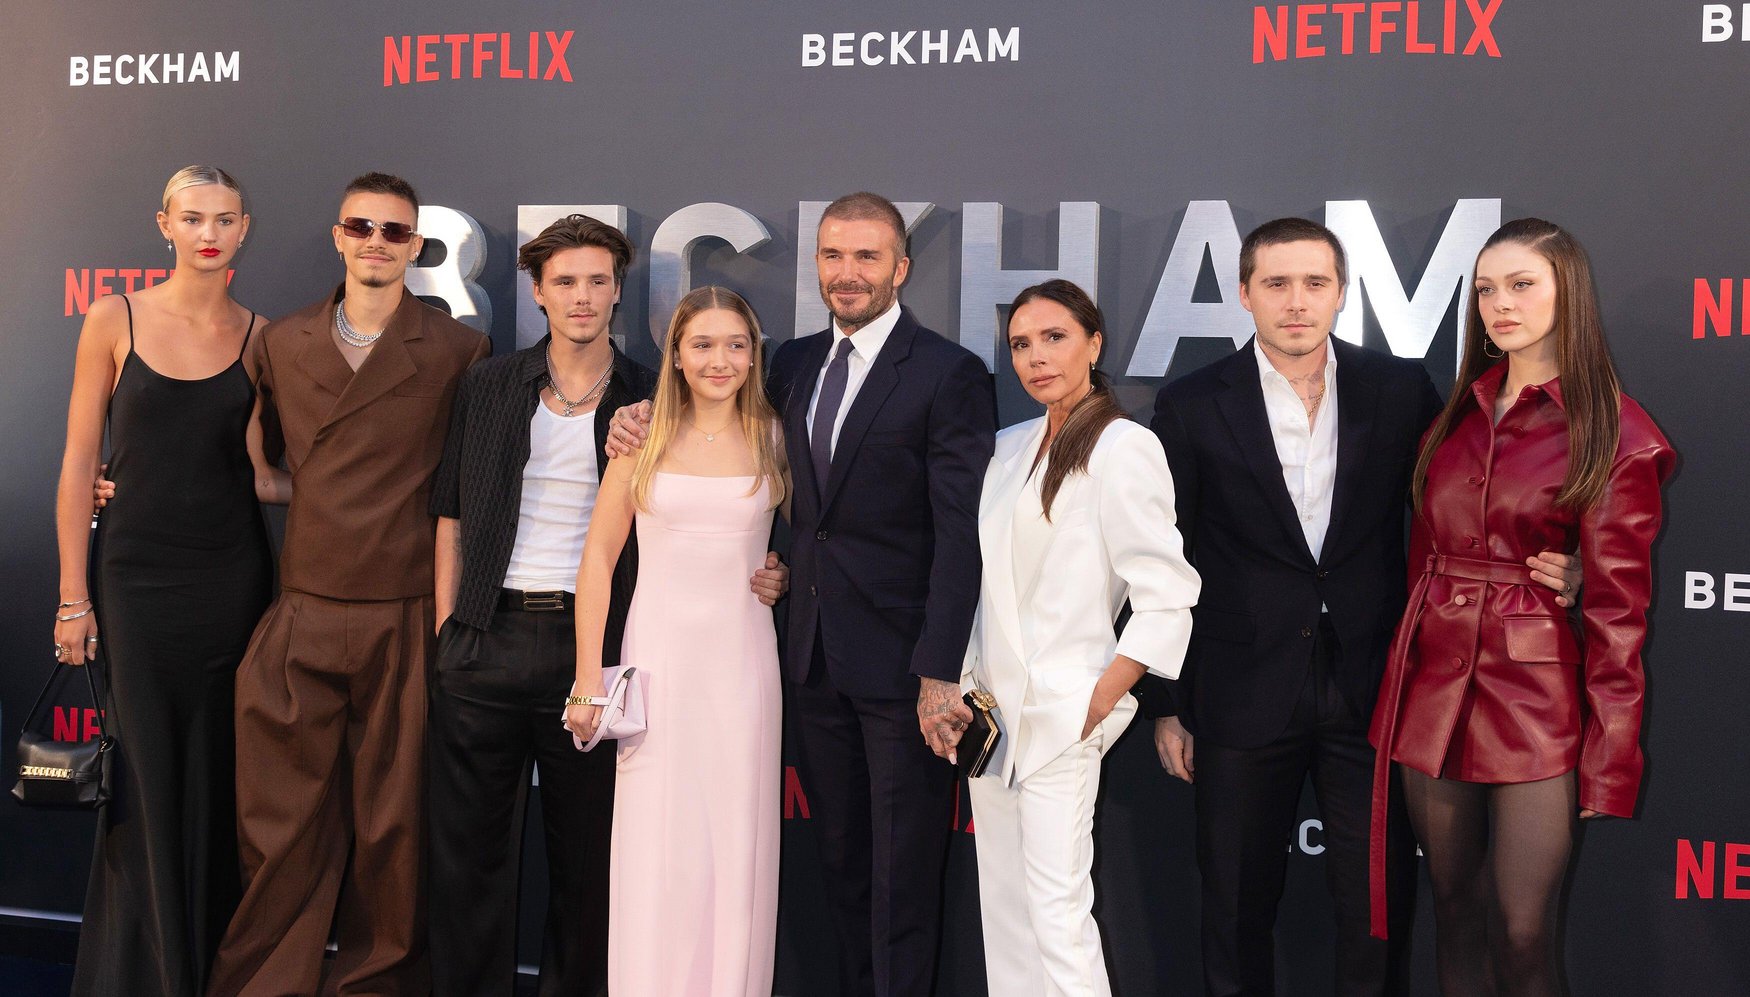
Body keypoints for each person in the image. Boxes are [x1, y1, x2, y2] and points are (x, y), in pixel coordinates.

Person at [1145, 217, 1579, 997]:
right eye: (1276, 283)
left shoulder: (1399, 389)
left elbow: (1471, 500)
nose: (1296, 301)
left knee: (1376, 912)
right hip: (1239, 689)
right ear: (1244, 294)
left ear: (1342, 292)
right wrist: (1170, 701)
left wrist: (1565, 561)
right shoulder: (1190, 405)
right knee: (1233, 908)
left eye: (1315, 282)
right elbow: (1158, 557)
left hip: (1377, 691)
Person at [608, 192, 995, 997]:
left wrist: (938, 671)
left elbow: (961, 534)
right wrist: (778, 560)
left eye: (866, 257)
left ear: (901, 268)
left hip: (903, 673)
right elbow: (764, 480)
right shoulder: (789, 365)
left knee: (902, 885)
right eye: (833, 255)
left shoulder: (948, 373)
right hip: (810, 663)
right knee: (842, 872)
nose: (847, 273)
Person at [1367, 218, 1674, 995]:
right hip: (1435, 690)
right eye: (1485, 289)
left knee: (1523, 930)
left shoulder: (1615, 430)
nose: (1500, 303)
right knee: (1453, 911)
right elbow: (1421, 556)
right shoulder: (1453, 415)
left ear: (1569, 291)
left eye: (1521, 284)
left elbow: (1619, 618)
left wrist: (1610, 756)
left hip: (1535, 700)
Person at [207, 172, 489, 996]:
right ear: (338, 236)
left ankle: (377, 982)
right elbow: (254, 463)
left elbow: (473, 491)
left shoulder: (457, 349)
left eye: (394, 232)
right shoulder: (280, 341)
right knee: (280, 824)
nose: (375, 243)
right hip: (303, 608)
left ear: (415, 246)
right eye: (361, 227)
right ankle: (266, 981)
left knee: (394, 830)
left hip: (404, 613)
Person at [52, 165, 278, 997]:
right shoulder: (113, 317)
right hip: (133, 584)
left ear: (244, 229)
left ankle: (205, 968)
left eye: (224, 219)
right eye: (192, 218)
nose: (208, 233)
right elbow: (79, 462)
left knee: (216, 781)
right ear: (165, 225)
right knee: (142, 783)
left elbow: (263, 475)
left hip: (231, 584)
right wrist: (72, 598)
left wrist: (362, 488)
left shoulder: (259, 338)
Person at [424, 215, 656, 997]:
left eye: (597, 280)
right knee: (467, 864)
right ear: (538, 292)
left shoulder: (653, 395)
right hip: (483, 639)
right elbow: (451, 514)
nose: (581, 296)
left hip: (590, 651)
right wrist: (449, 631)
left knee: (588, 867)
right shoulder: (489, 384)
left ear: (618, 291)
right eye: (565, 281)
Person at [955, 279, 1200, 997]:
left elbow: (1167, 590)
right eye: (1021, 344)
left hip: (1064, 715)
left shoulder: (1126, 446)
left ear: (1094, 343)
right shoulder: (1006, 449)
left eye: (1054, 337)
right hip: (992, 719)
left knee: (1059, 913)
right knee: (1006, 911)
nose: (1036, 357)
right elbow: (980, 586)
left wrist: (1100, 696)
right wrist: (967, 687)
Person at [566, 285, 789, 996]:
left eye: (735, 344)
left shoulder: (778, 438)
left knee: (735, 841)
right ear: (677, 356)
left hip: (743, 668)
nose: (720, 360)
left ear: (753, 355)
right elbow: (597, 559)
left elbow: (815, 540)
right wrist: (587, 680)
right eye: (703, 344)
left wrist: (782, 572)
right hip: (656, 665)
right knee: (657, 846)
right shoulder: (642, 436)